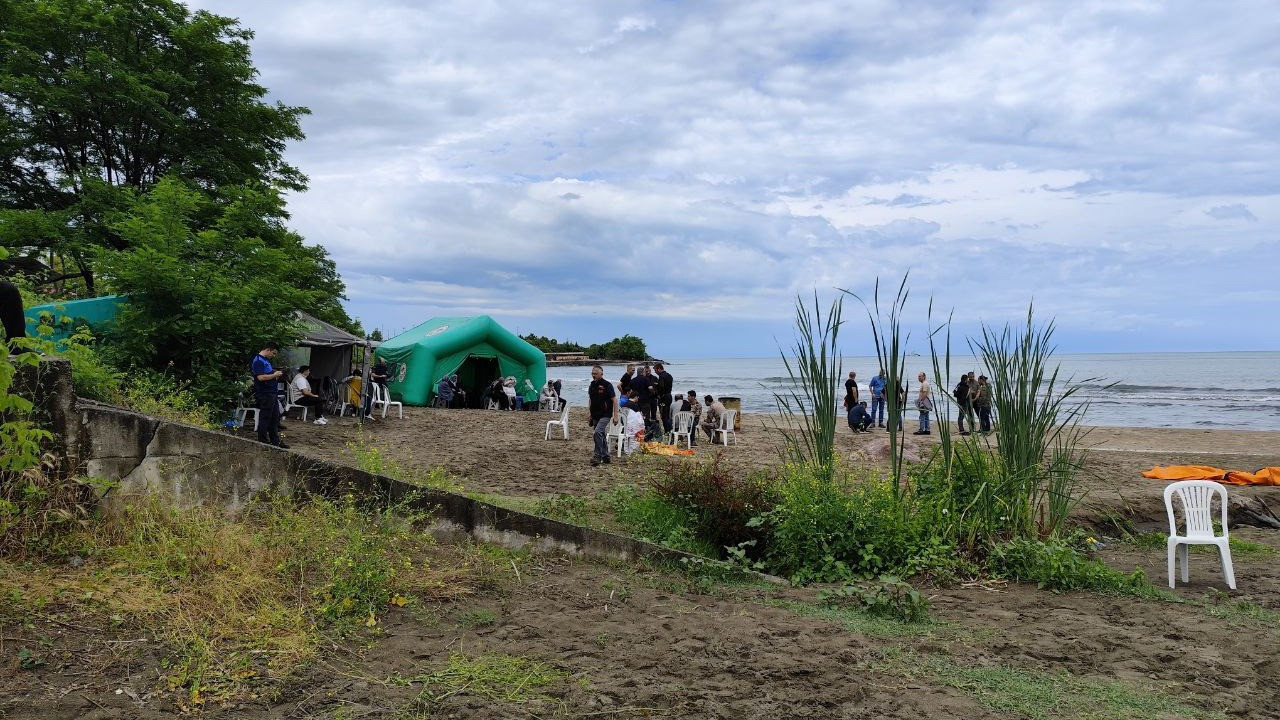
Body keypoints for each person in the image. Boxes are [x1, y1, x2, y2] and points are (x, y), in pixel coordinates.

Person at [250, 343, 287, 448]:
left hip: (272, 392)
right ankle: (263, 440)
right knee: (265, 417)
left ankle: (275, 441)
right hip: (265, 393)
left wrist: (275, 374)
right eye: (273, 353)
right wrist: (274, 375)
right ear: (268, 349)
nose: (273, 356)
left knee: (275, 417)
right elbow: (261, 377)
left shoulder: (265, 360)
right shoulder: (258, 360)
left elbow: (267, 374)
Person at [587, 365, 618, 466]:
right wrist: (590, 414)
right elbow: (591, 400)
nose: (594, 375)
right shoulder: (592, 385)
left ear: (601, 374)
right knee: (601, 435)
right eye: (592, 373)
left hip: (606, 414)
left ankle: (597, 456)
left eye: (596, 373)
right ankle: (606, 456)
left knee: (597, 432)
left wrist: (616, 415)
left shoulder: (607, 385)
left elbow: (614, 400)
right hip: (595, 414)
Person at [654, 362, 675, 438]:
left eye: (655, 370)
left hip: (663, 398)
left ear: (659, 369)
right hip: (669, 396)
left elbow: (661, 387)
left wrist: (657, 390)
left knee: (663, 415)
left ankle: (667, 431)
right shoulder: (669, 375)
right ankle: (669, 430)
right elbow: (667, 385)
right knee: (668, 414)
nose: (655, 372)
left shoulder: (661, 376)